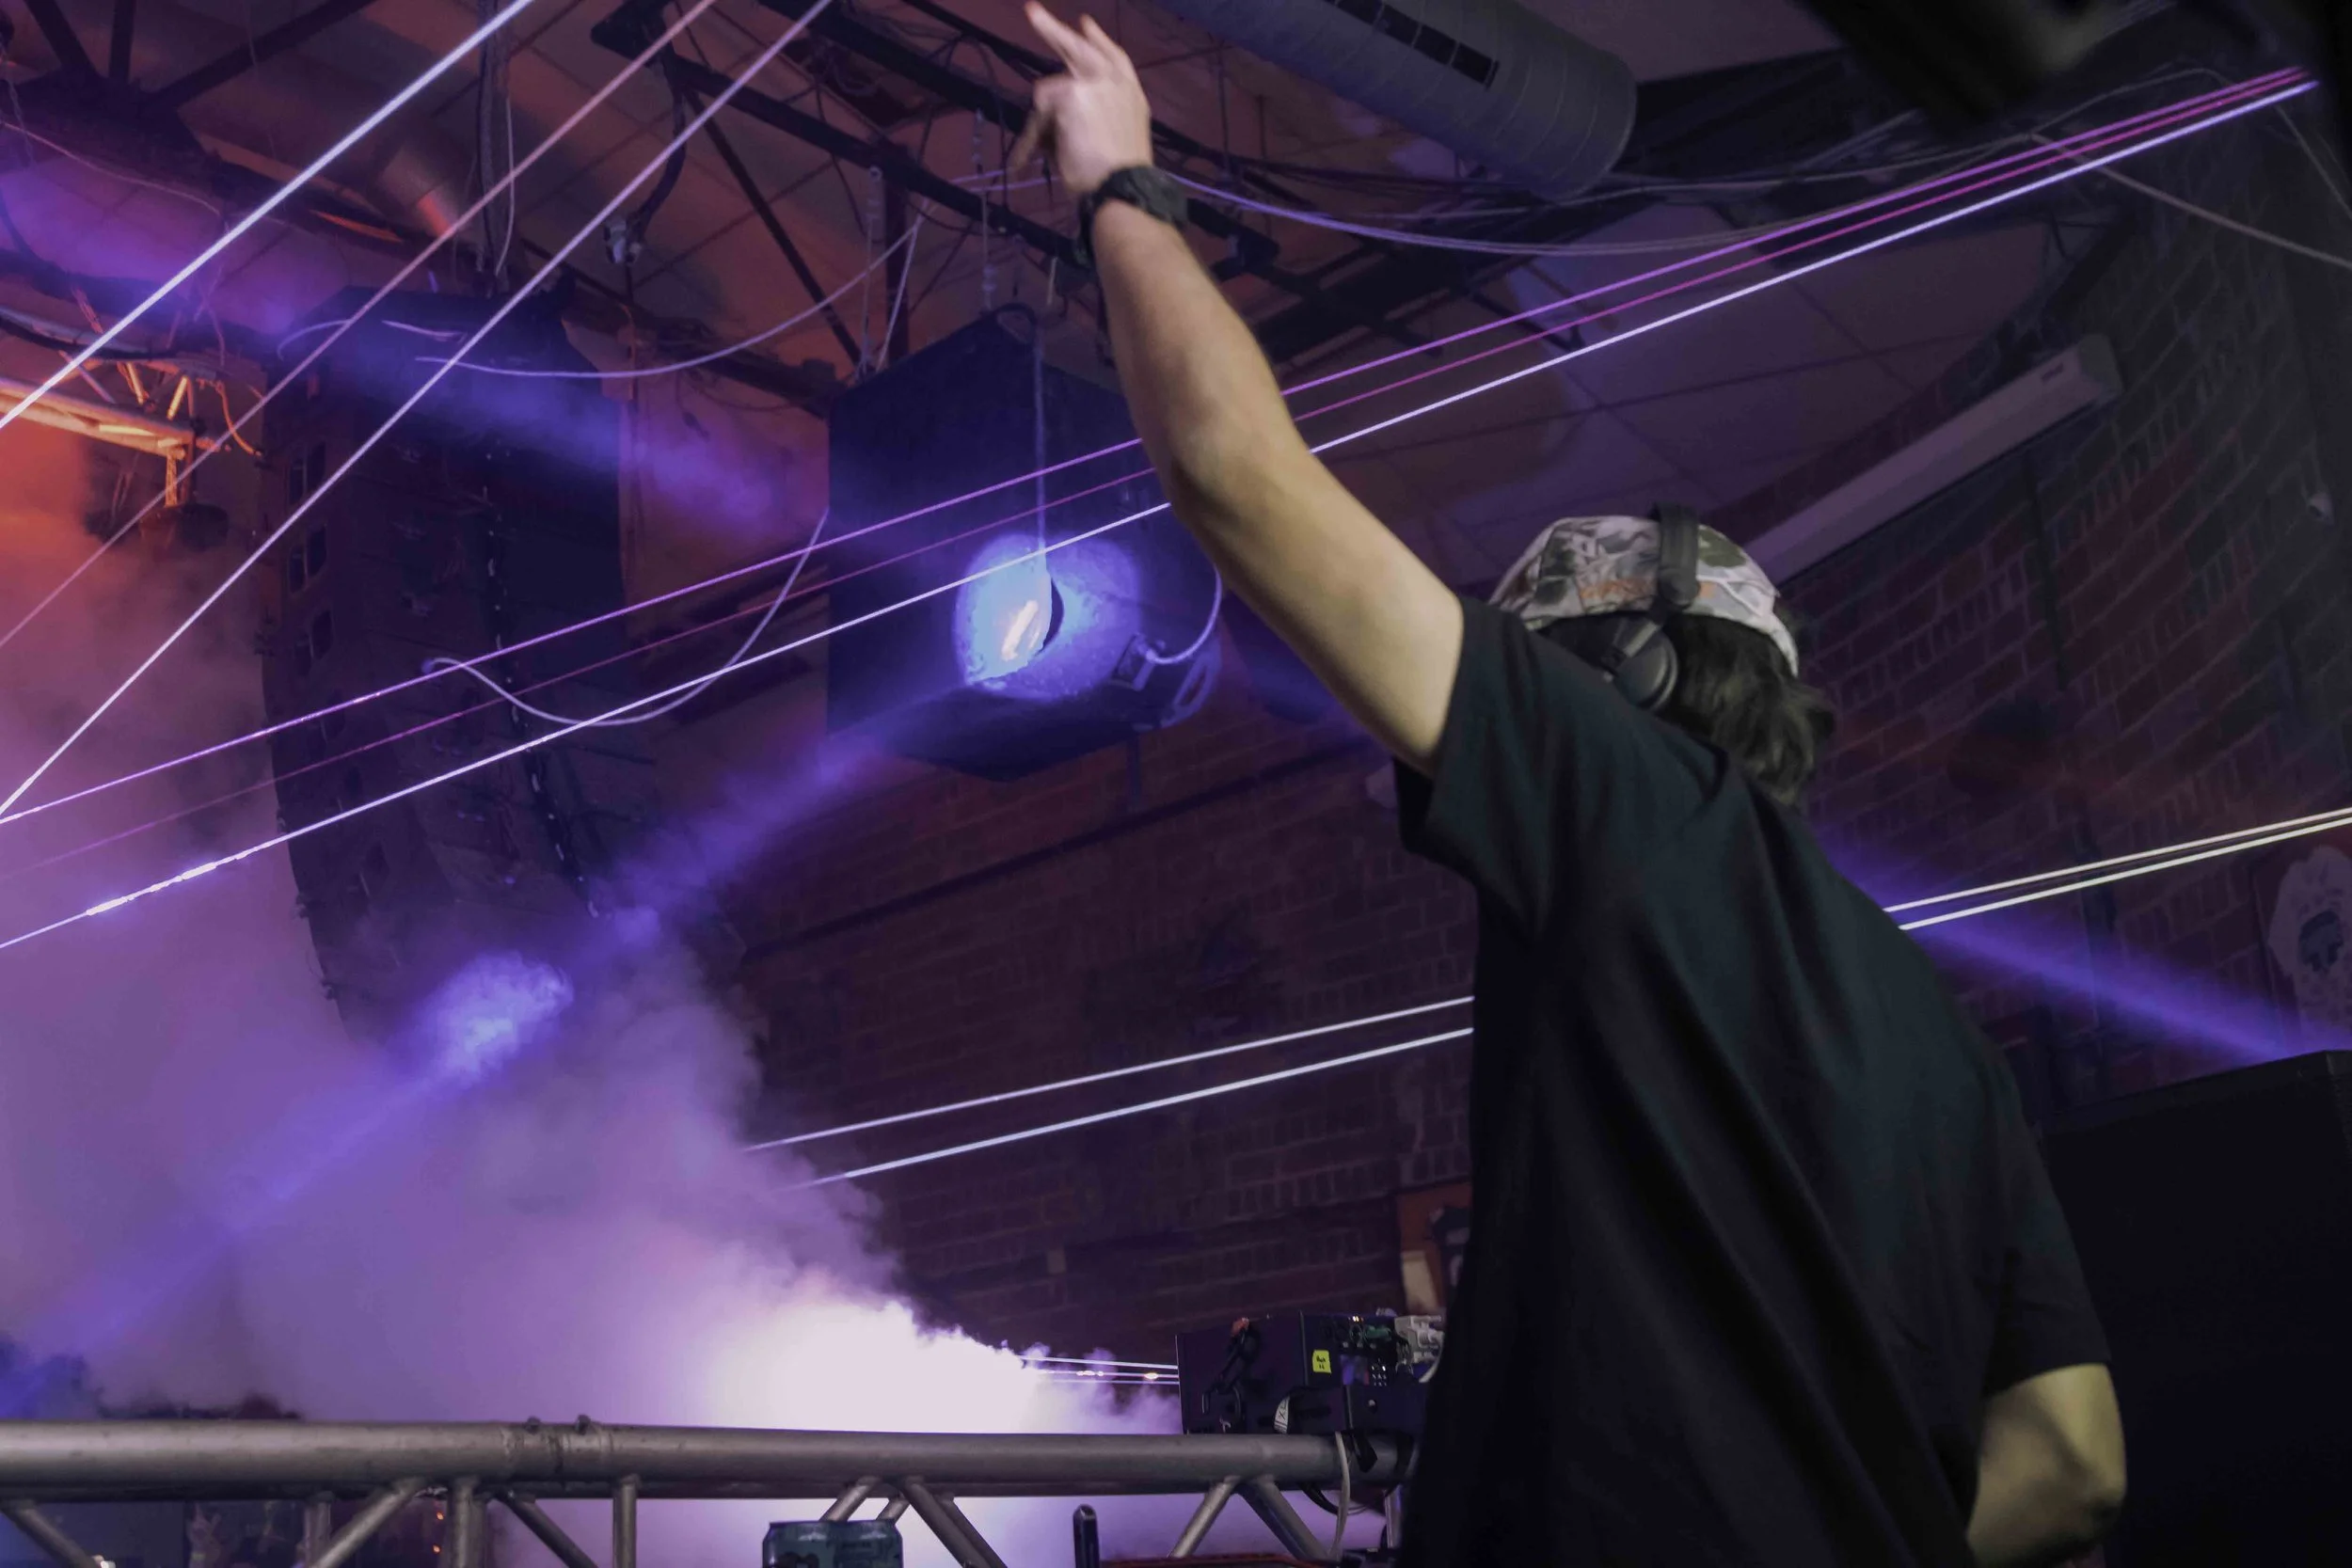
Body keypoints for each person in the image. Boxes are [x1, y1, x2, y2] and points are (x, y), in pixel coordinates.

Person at [1007, 8, 2125, 1564]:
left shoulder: (1636, 807)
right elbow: (2074, 1457)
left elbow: (1235, 474)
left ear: (1625, 678)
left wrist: (1123, 184)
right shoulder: (1946, 1044)